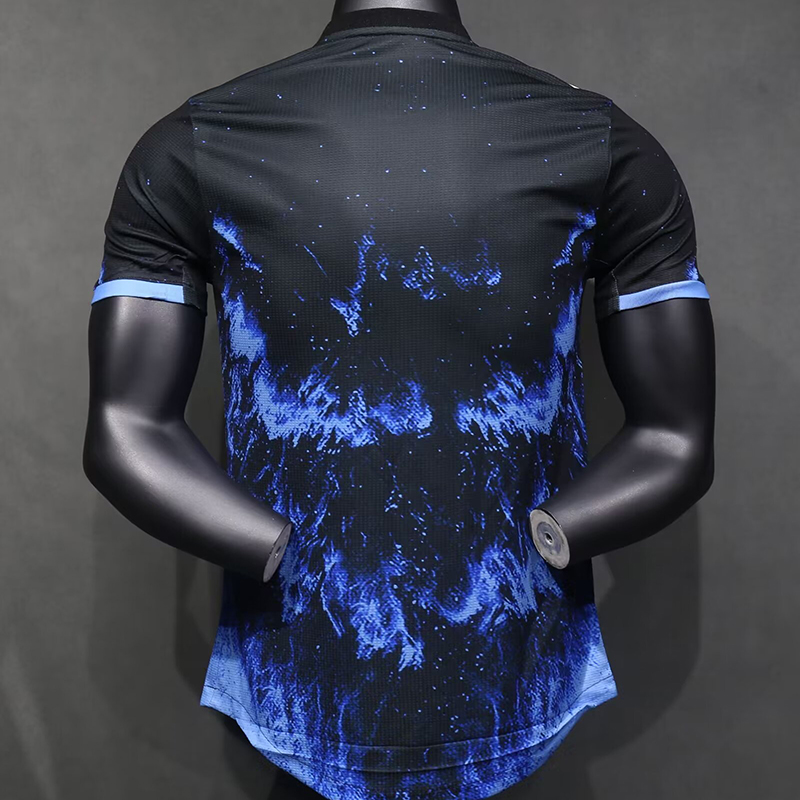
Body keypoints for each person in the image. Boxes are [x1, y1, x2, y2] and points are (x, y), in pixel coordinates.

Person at [83, 2, 715, 798]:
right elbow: (126, 427)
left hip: (489, 675)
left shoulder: (189, 143)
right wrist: (264, 544)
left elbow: (125, 426)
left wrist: (561, 531)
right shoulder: (605, 141)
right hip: (319, 685)